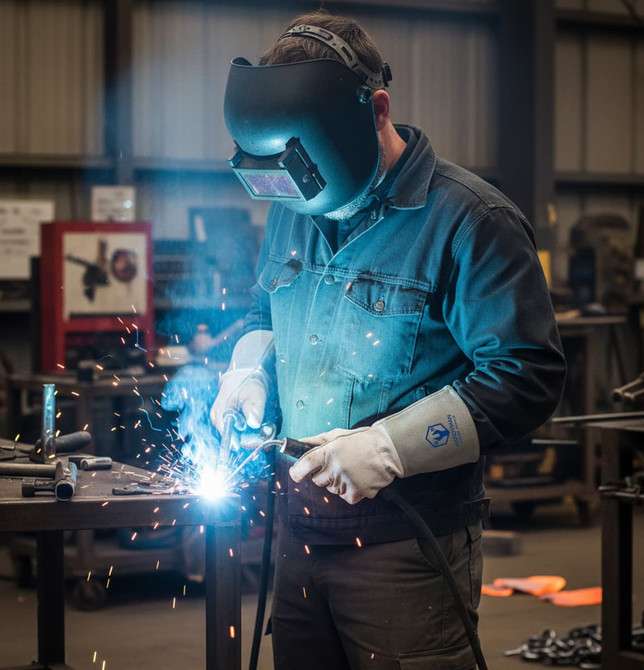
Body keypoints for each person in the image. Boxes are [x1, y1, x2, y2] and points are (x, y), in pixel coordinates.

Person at [211, 10, 566, 670]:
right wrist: (250, 370)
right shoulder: (292, 205)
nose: (313, 209)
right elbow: (267, 312)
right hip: (298, 539)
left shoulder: (470, 220)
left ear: (377, 110)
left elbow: (527, 376)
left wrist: (391, 447)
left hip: (407, 548)